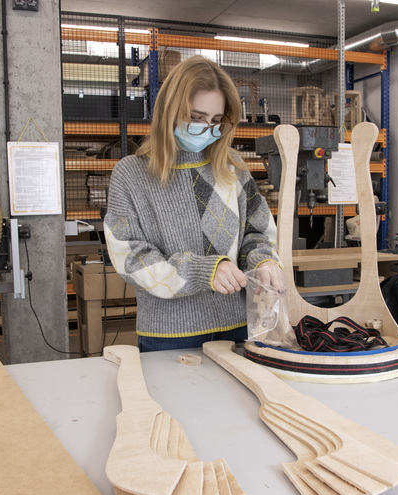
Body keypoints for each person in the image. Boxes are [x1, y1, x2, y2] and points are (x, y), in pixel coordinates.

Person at [104, 55, 283, 352]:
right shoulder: (131, 174)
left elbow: (257, 232)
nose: (206, 128)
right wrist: (202, 271)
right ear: (169, 111)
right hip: (170, 335)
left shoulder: (232, 167)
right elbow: (130, 257)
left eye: (215, 120)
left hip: (238, 326)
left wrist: (262, 260)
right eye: (196, 117)